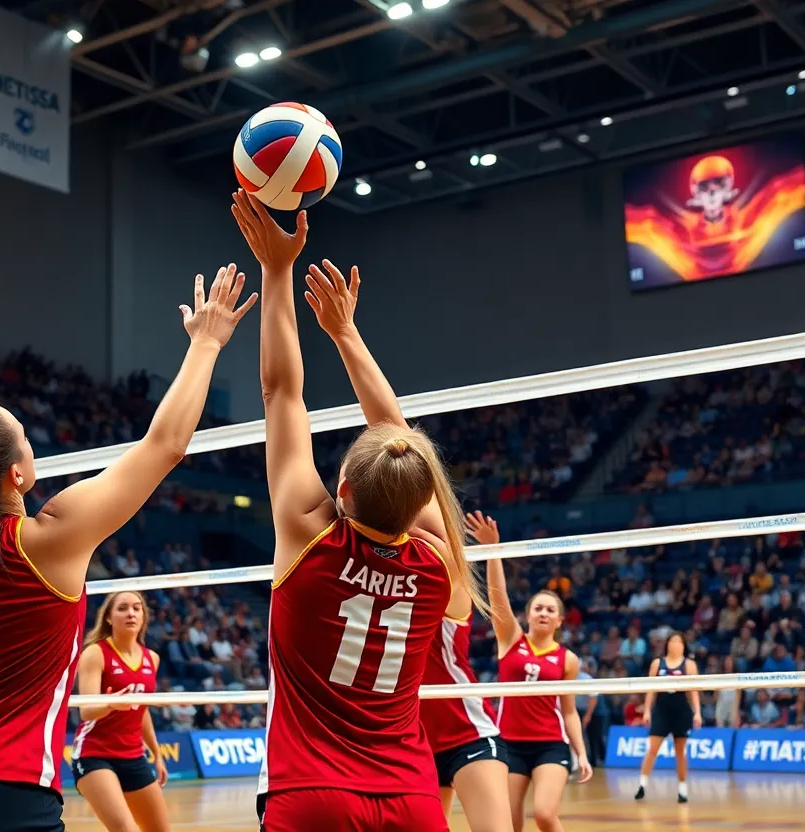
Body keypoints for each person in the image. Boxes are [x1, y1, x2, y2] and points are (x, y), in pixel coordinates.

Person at [0, 267, 256, 832]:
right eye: (24, 435)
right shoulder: (47, 542)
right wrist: (206, 342)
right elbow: (166, 445)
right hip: (1, 790)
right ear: (17, 474)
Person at [231, 190, 485, 832]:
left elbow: (280, 391)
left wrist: (277, 270)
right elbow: (406, 449)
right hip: (411, 797)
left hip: (311, 792)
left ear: (340, 491)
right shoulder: (436, 567)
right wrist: (346, 333)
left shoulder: (306, 535)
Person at [420, 511, 511, 831]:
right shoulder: (389, 593)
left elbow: (443, 545)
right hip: (418, 745)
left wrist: (491, 551)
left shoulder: (453, 592)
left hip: (469, 735)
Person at [487, 558, 592, 832]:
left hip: (550, 743)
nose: (543, 613)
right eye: (538, 608)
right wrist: (493, 552)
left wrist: (581, 753)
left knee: (544, 814)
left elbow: (568, 710)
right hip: (509, 744)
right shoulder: (510, 639)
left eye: (550, 610)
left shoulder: (567, 659)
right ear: (527, 614)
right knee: (508, 820)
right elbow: (497, 594)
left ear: (559, 620)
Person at [72, 592, 170, 832]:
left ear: (144, 617)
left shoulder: (152, 659)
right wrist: (110, 704)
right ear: (108, 618)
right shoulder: (95, 653)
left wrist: (156, 754)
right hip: (94, 754)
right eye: (123, 608)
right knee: (126, 829)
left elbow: (141, 710)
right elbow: (86, 711)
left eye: (137, 608)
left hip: (133, 755)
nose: (131, 613)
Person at [636, 632, 701, 803]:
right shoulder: (658, 663)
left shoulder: (689, 665)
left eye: (679, 641)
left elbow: (694, 691)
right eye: (673, 641)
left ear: (684, 645)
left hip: (681, 711)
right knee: (653, 748)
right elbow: (651, 689)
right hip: (661, 711)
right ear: (667, 644)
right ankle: (642, 785)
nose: (676, 644)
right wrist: (647, 711)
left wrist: (698, 712)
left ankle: (682, 789)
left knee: (680, 751)